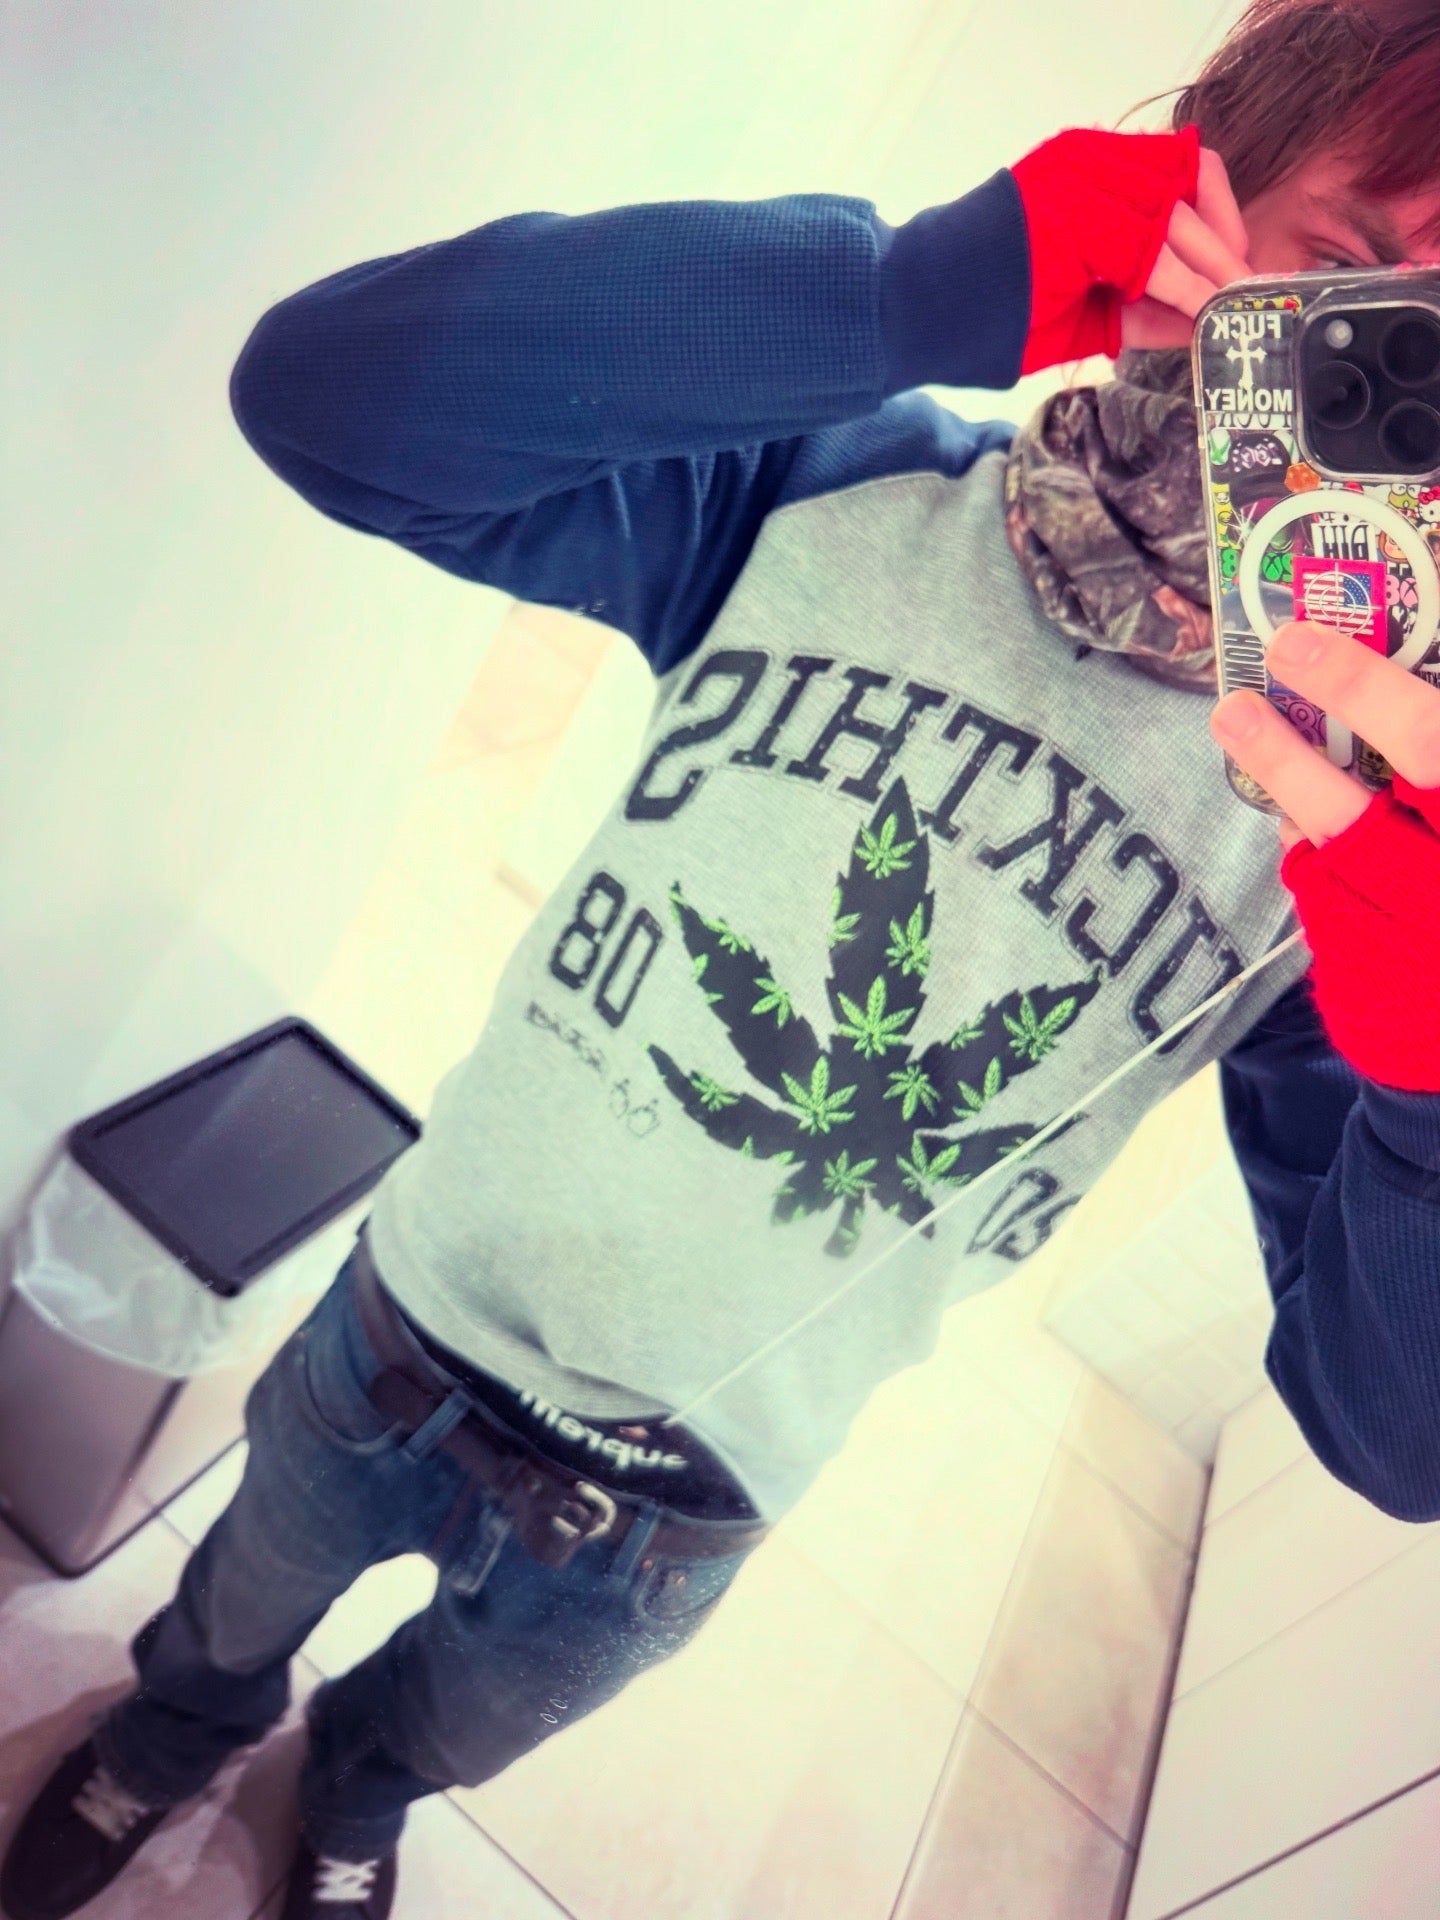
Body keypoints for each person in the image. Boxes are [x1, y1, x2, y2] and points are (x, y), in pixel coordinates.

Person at [8, 2, 1440, 1916]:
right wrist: (907, 291)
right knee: (225, 1607)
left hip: (679, 1504)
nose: (1395, 414)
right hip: (408, 1310)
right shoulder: (846, 482)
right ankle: (171, 1732)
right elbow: (327, 401)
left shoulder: (1367, 840)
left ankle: (348, 1806)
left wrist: (1435, 1075)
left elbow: (1393, 1436)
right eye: (1351, 284)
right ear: (1201, 191)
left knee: (442, 1733)